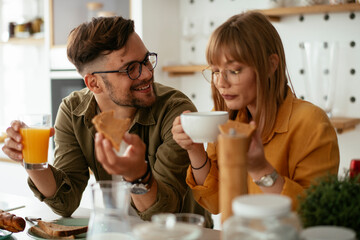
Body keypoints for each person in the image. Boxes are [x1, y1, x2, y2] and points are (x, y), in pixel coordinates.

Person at [2, 16, 213, 227]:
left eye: (146, 60)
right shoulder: (73, 112)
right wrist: (31, 162)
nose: (147, 73)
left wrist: (137, 176)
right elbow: (65, 202)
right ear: (94, 83)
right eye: (130, 68)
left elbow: (164, 215)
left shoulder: (175, 111)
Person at [172, 11, 339, 214]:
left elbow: (315, 215)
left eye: (234, 71)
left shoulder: (312, 123)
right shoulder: (224, 119)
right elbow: (216, 204)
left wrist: (260, 169)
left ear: (271, 65)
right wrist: (195, 149)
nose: (221, 83)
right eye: (216, 71)